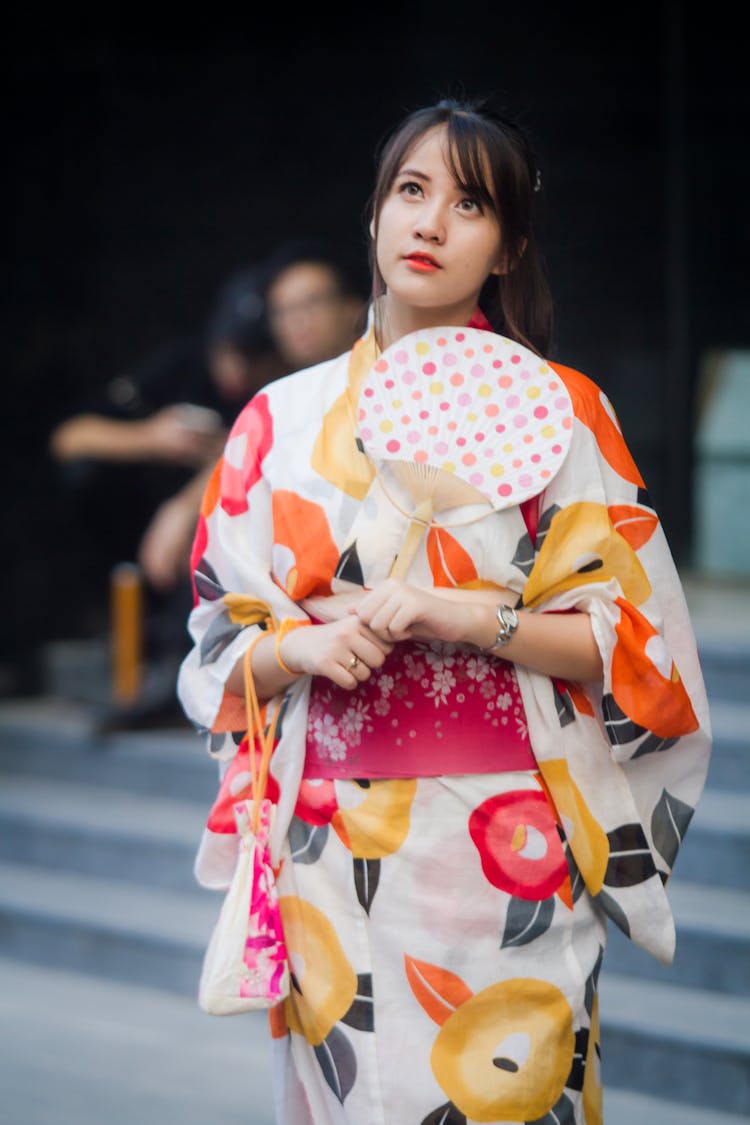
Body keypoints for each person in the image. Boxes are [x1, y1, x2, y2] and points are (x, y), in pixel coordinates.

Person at [177, 98, 711, 1124]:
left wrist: (471, 621)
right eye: (410, 192)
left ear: (509, 245)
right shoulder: (277, 422)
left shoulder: (566, 413)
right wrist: (304, 645)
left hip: (509, 851)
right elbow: (213, 649)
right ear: (375, 215)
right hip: (332, 860)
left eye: (469, 204)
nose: (429, 223)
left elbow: (643, 652)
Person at [48, 263, 285, 667]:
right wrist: (151, 437)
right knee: (85, 478)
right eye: (230, 352)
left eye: (255, 356)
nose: (238, 370)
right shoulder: (180, 366)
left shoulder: (284, 391)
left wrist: (188, 499)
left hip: (221, 544)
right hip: (134, 534)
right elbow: (69, 440)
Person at [263, 237, 369, 371]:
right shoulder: (276, 391)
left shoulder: (386, 377)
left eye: (312, 303)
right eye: (283, 311)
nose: (297, 319)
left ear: (353, 308)